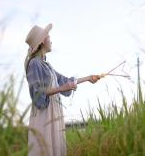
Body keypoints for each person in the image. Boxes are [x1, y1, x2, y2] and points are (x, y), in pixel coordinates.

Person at [24, 24, 100, 156]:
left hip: (54, 111)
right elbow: (36, 93)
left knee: (55, 147)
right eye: (49, 37)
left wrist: (88, 78)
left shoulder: (47, 66)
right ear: (42, 41)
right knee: (45, 148)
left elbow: (66, 82)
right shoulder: (34, 63)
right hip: (45, 113)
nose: (51, 40)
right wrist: (60, 88)